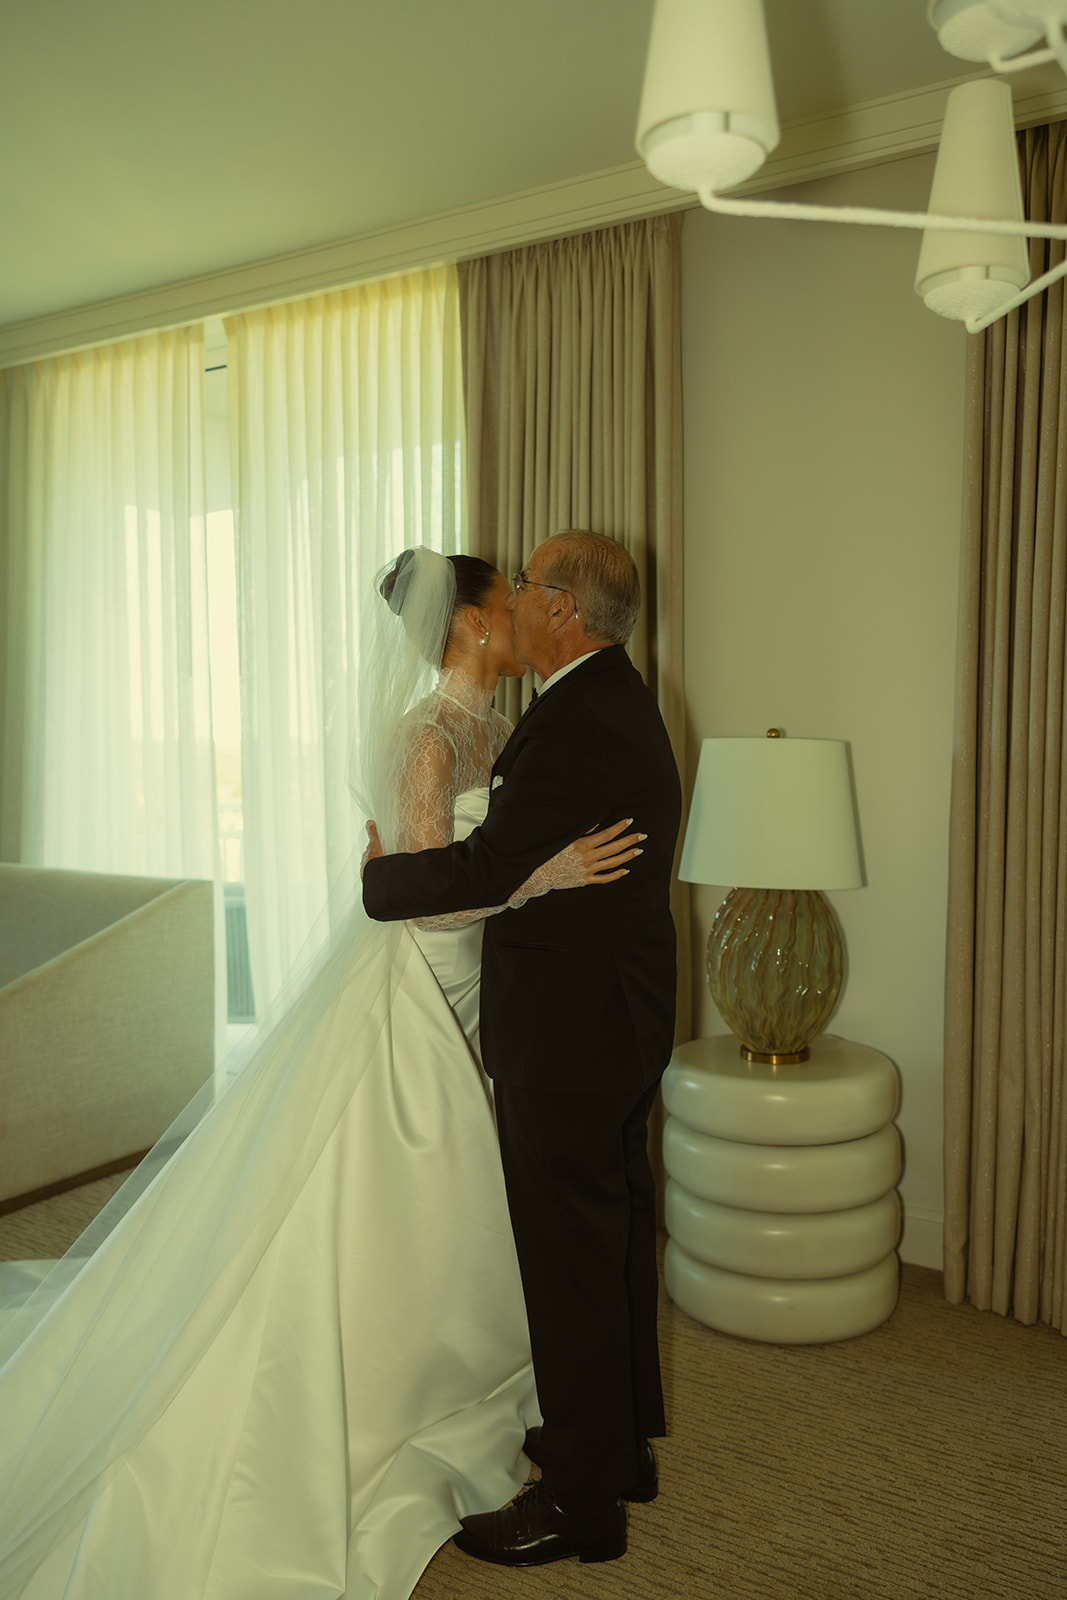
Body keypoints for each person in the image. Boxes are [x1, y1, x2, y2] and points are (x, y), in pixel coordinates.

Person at [0, 547, 639, 1600]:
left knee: (473, 1191)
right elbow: (431, 897)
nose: (523, 622)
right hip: (424, 978)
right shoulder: (428, 736)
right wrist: (542, 878)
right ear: (473, 626)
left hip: (489, 988)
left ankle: (471, 1377)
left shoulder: (503, 732)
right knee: (398, 1188)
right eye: (507, 606)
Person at [362, 530, 682, 1568]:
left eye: (532, 583)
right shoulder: (604, 702)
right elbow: (511, 858)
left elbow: (490, 861)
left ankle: (581, 1503)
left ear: (563, 613)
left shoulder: (577, 718)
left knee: (575, 1256)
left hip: (571, 1031)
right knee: (612, 1233)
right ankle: (617, 1448)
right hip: (604, 1019)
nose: (518, 594)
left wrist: (371, 885)